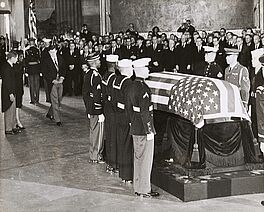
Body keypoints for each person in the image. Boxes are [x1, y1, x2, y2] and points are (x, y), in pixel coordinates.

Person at [126, 58, 159, 198]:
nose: (149, 70)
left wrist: (131, 122)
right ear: (140, 70)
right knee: (146, 160)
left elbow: (128, 108)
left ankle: (138, 186)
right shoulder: (143, 88)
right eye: (147, 68)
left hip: (135, 127)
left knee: (138, 157)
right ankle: (145, 189)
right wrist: (149, 130)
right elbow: (145, 111)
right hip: (144, 130)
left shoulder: (131, 85)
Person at [113, 59, 134, 183]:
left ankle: (123, 172)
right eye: (131, 68)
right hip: (126, 117)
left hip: (118, 114)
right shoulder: (127, 83)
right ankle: (127, 175)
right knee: (127, 144)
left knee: (122, 143)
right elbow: (128, 102)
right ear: (126, 69)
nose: (132, 70)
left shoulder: (117, 79)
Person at [82, 53, 105, 163]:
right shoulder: (95, 76)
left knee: (93, 131)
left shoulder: (88, 74)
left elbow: (85, 94)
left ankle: (93, 154)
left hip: (91, 108)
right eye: (98, 60)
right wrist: (99, 110)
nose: (100, 62)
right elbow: (97, 94)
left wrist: (88, 108)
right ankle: (97, 155)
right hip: (96, 109)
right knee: (98, 133)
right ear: (94, 62)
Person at [102, 54, 118, 172]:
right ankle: (112, 163)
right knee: (113, 136)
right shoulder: (113, 78)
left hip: (106, 108)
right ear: (115, 65)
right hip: (112, 110)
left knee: (108, 134)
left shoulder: (105, 76)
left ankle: (108, 160)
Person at [42, 45, 66, 126]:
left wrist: (62, 78)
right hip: (52, 83)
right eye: (50, 52)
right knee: (55, 100)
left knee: (59, 99)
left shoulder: (60, 58)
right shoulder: (46, 61)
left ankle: (50, 113)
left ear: (56, 51)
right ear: (49, 52)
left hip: (60, 81)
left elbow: (63, 68)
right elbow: (44, 73)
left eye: (54, 51)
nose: (52, 53)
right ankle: (57, 119)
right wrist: (52, 80)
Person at [1, 51, 20, 135]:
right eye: (16, 58)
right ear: (12, 58)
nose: (17, 59)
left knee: (12, 109)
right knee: (8, 109)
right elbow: (7, 82)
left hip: (12, 91)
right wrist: (10, 93)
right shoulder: (6, 67)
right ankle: (8, 129)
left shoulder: (11, 66)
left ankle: (13, 126)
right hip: (8, 92)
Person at [25, 38, 41, 104]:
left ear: (29, 43)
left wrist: (26, 70)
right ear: (34, 43)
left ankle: (32, 99)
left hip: (30, 70)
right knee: (37, 85)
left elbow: (26, 61)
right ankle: (37, 99)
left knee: (31, 85)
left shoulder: (27, 51)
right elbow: (39, 60)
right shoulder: (37, 50)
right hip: (36, 69)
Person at [14, 50, 25, 130]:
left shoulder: (21, 64)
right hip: (15, 87)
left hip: (19, 87)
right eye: (21, 56)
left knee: (18, 104)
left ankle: (17, 120)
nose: (22, 58)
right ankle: (16, 121)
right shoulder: (15, 66)